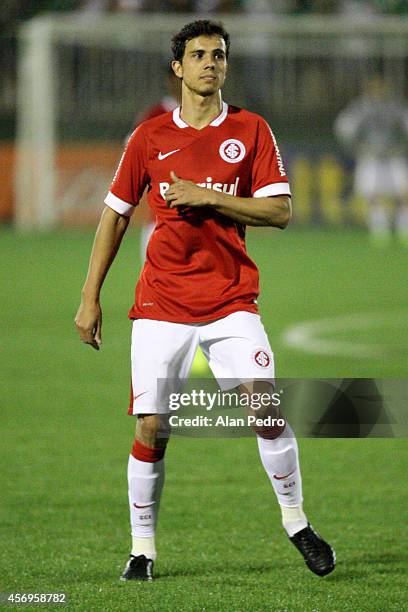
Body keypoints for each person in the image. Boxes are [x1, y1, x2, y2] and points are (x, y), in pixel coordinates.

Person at [75, 19, 336, 581]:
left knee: (265, 408)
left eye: (218, 54)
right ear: (178, 67)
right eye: (198, 55)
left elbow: (281, 212)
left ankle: (297, 523)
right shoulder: (148, 138)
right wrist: (89, 296)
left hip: (231, 301)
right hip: (161, 306)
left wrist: (209, 197)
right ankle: (142, 550)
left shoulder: (252, 129)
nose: (210, 63)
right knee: (151, 426)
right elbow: (115, 216)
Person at [334, 73, 408, 245]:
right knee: (371, 193)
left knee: (404, 192)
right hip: (370, 156)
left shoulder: (395, 106)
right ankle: (379, 228)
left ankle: (404, 227)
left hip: (394, 155)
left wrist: (402, 146)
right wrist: (358, 146)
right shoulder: (361, 108)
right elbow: (344, 128)